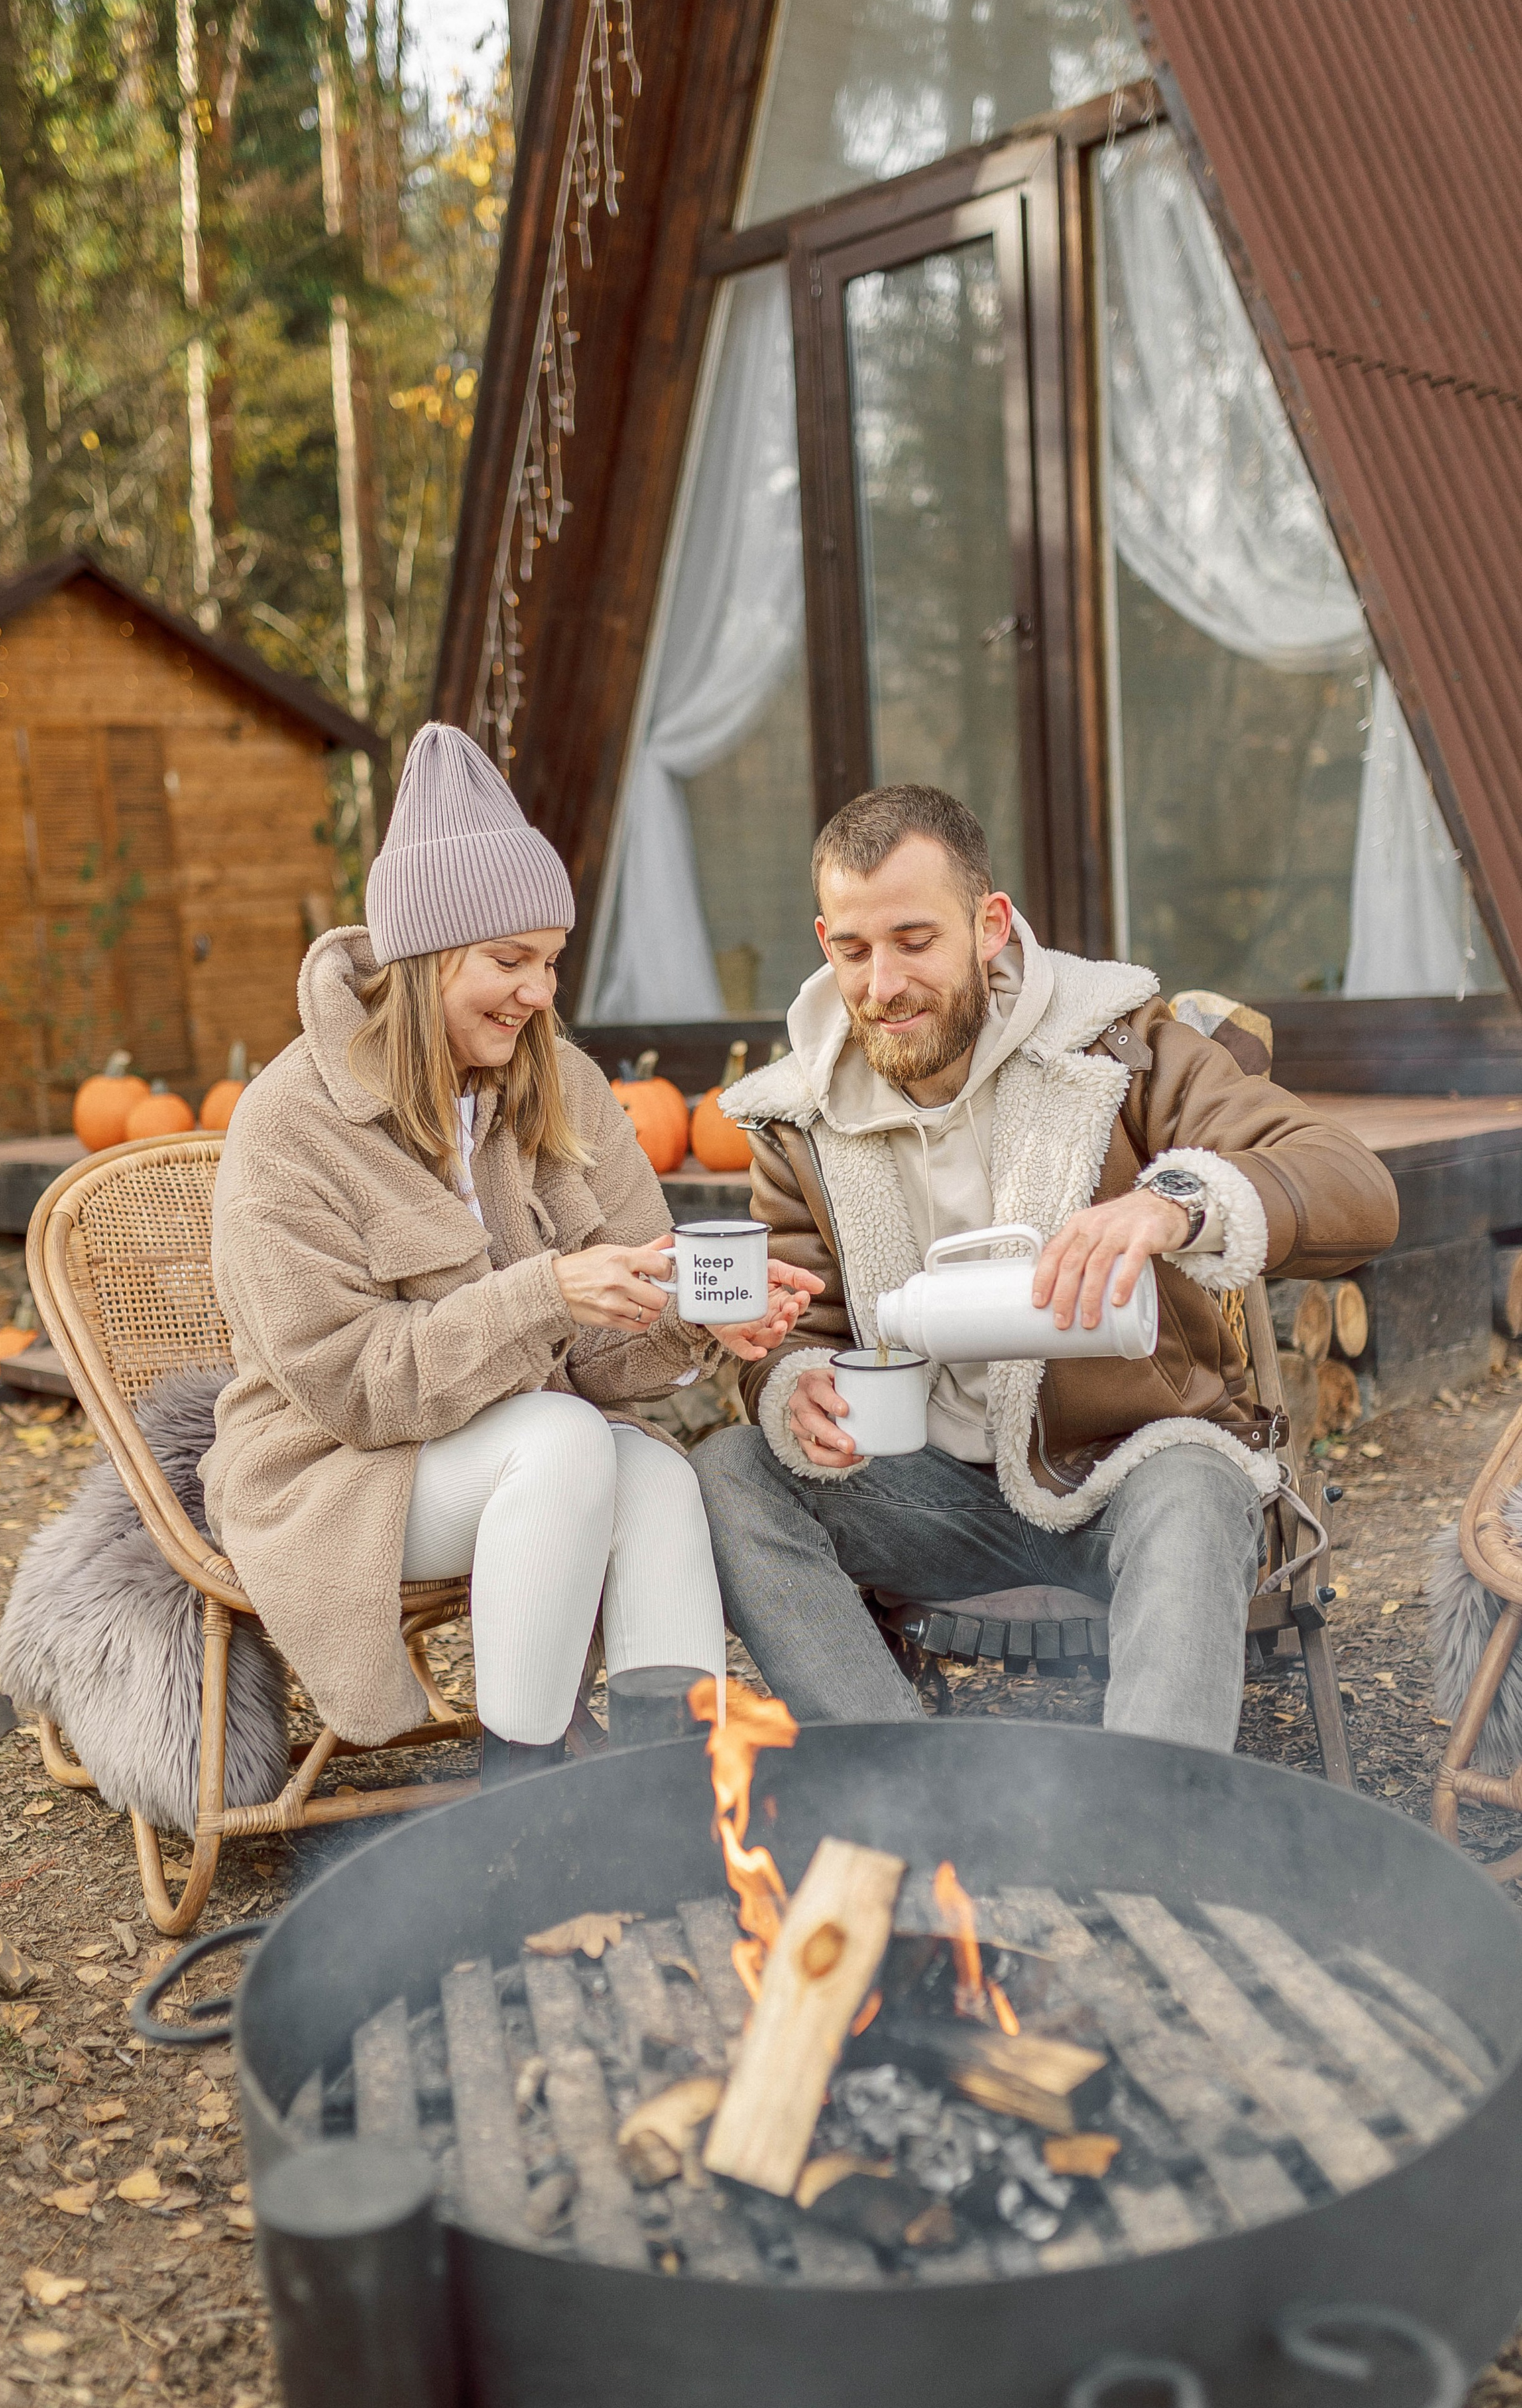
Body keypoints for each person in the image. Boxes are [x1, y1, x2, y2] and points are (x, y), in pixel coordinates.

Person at [691, 782, 1400, 1751]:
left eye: (914, 940)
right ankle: (908, 1792)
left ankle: (1143, 1834)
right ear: (825, 941)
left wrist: (1175, 1204)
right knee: (731, 1471)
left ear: (988, 926)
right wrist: (792, 1383)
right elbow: (796, 1330)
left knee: (1196, 1485)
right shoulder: (795, 1120)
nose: (883, 985)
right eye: (853, 951)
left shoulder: (1120, 1050)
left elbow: (1355, 1188)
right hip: (929, 1490)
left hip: (1133, 1472)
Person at [202, 725, 819, 1781]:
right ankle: (521, 1794)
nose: (539, 993)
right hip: (338, 1472)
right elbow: (352, 1389)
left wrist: (695, 1319)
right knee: (569, 1442)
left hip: (528, 1445)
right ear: (426, 954)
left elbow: (600, 1353)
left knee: (653, 1473)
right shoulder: (291, 1121)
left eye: (549, 962)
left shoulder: (563, 1087)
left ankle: (659, 1792)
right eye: (508, 961)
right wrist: (545, 1294)